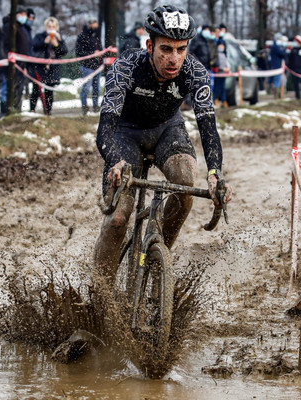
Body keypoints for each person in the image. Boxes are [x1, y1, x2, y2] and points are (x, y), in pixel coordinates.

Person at [94, 5, 232, 284]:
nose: (174, 58)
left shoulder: (195, 71)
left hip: (167, 129)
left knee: (184, 183)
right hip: (125, 133)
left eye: (181, 49)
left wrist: (215, 173)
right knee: (120, 217)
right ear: (149, 46)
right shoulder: (125, 67)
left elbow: (208, 125)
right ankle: (101, 290)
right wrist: (114, 161)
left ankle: (158, 258)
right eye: (166, 49)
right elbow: (105, 127)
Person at [32, 17, 68, 115]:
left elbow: (64, 51)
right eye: (49, 26)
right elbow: (34, 46)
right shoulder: (40, 36)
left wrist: (56, 45)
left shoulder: (59, 38)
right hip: (40, 67)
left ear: (56, 27)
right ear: (45, 26)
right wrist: (45, 42)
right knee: (36, 90)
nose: (51, 28)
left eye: (53, 26)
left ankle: (48, 111)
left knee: (49, 91)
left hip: (52, 68)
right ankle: (32, 110)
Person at [2, 6, 29, 113]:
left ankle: (17, 111)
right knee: (11, 89)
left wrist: (25, 65)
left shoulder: (21, 27)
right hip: (12, 64)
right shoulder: (9, 26)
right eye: (21, 14)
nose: (24, 17)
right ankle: (7, 111)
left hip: (21, 64)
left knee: (19, 89)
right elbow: (5, 45)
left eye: (25, 14)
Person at [75, 17, 103, 115]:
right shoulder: (82, 36)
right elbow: (78, 52)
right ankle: (84, 106)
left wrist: (101, 55)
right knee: (86, 87)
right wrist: (92, 53)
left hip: (97, 66)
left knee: (97, 88)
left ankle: (96, 106)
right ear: (90, 24)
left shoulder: (97, 36)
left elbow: (100, 48)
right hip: (87, 66)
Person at [269, 32, 286, 99]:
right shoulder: (275, 47)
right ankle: (277, 96)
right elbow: (282, 54)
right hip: (277, 67)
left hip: (279, 66)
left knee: (281, 81)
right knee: (277, 82)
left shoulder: (276, 46)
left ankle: (280, 95)